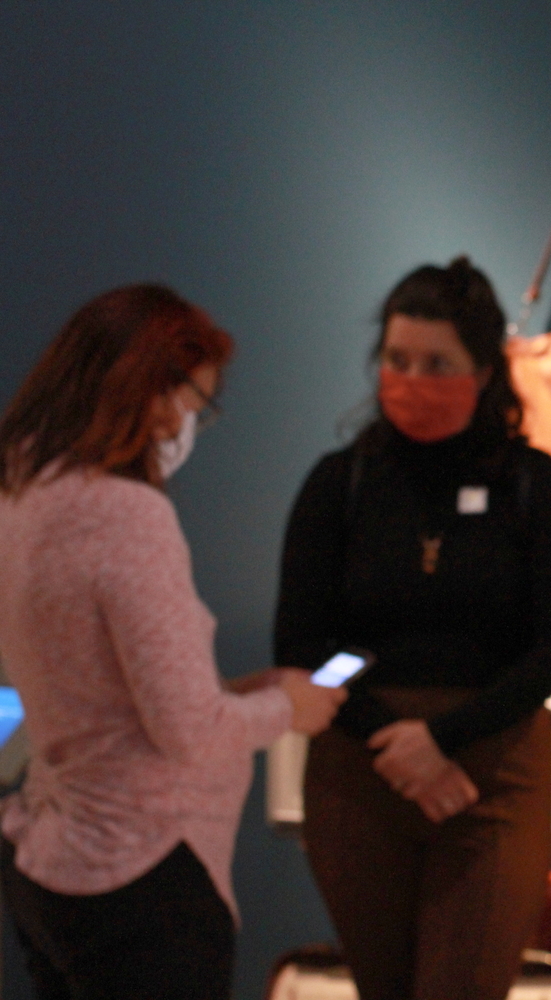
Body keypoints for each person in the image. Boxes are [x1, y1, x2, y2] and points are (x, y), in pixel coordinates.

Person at [0, 284, 345, 1000]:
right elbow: (187, 729)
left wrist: (234, 692)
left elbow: (98, 686)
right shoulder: (126, 515)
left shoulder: (22, 492)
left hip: (49, 858)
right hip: (141, 876)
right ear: (152, 391)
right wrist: (291, 711)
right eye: (194, 405)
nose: (187, 428)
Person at [275, 257, 551, 1000]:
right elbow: (308, 652)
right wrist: (389, 735)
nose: (410, 379)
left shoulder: (532, 486)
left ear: (482, 371)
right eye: (396, 359)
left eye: (436, 363)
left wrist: (441, 740)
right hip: (360, 772)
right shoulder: (339, 484)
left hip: (493, 771)